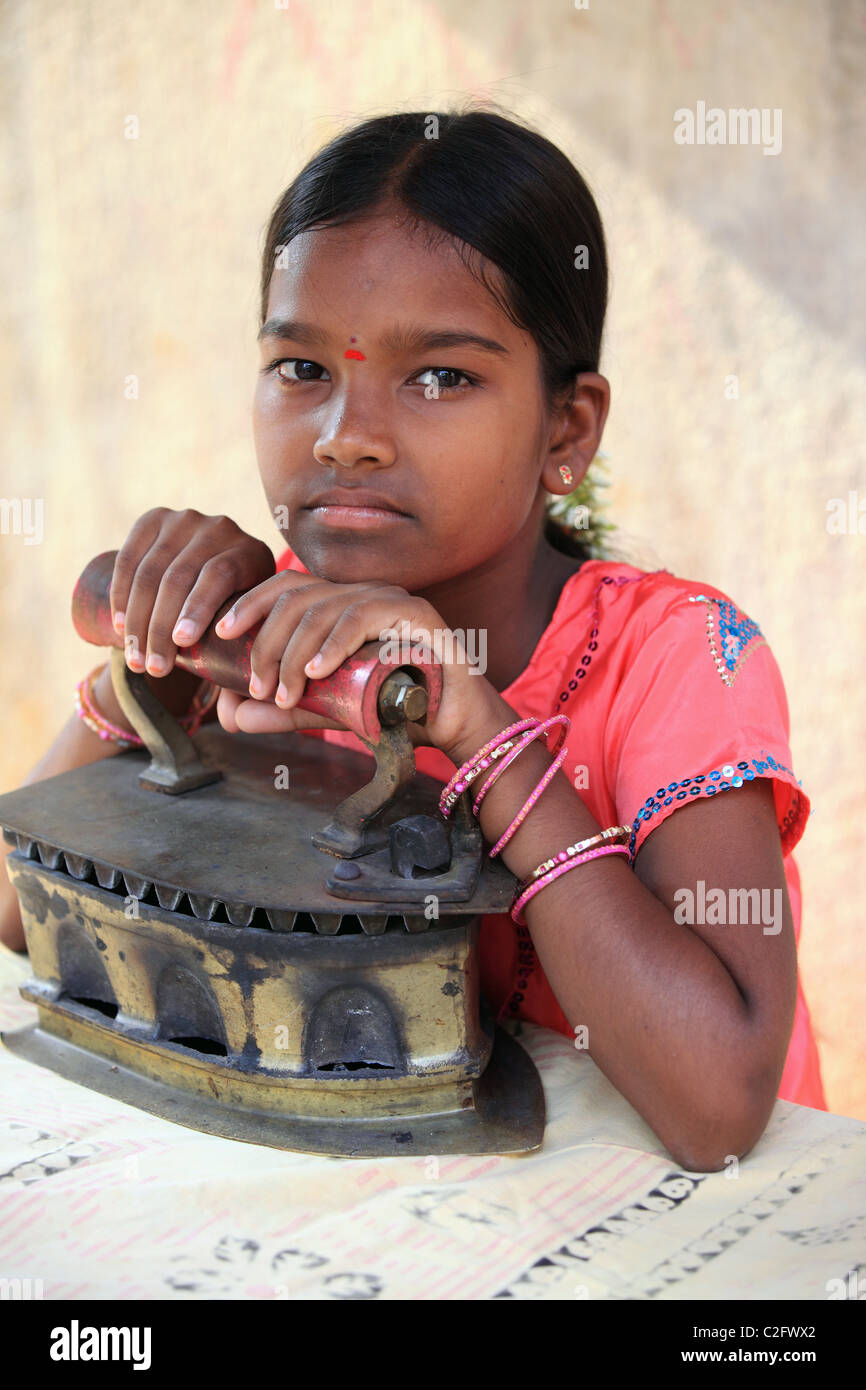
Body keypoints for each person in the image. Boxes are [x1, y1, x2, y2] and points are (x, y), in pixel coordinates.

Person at [0, 107, 826, 1170]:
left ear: (565, 431)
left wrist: (479, 724)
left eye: (439, 376)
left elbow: (715, 1108)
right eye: (302, 369)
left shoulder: (676, 657)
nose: (347, 434)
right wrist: (147, 680)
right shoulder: (278, 635)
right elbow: (22, 918)